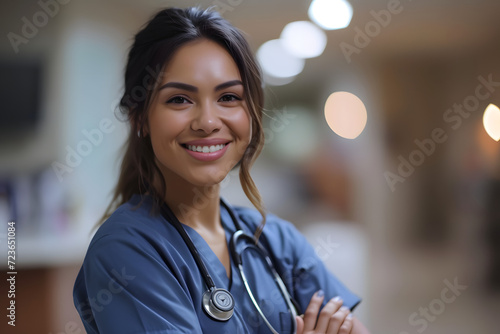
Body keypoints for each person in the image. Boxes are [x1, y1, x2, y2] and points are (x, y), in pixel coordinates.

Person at [73, 7, 371, 334]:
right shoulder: (126, 251)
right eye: (179, 100)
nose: (208, 122)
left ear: (252, 115)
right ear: (140, 118)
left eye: (228, 97)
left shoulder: (275, 240)